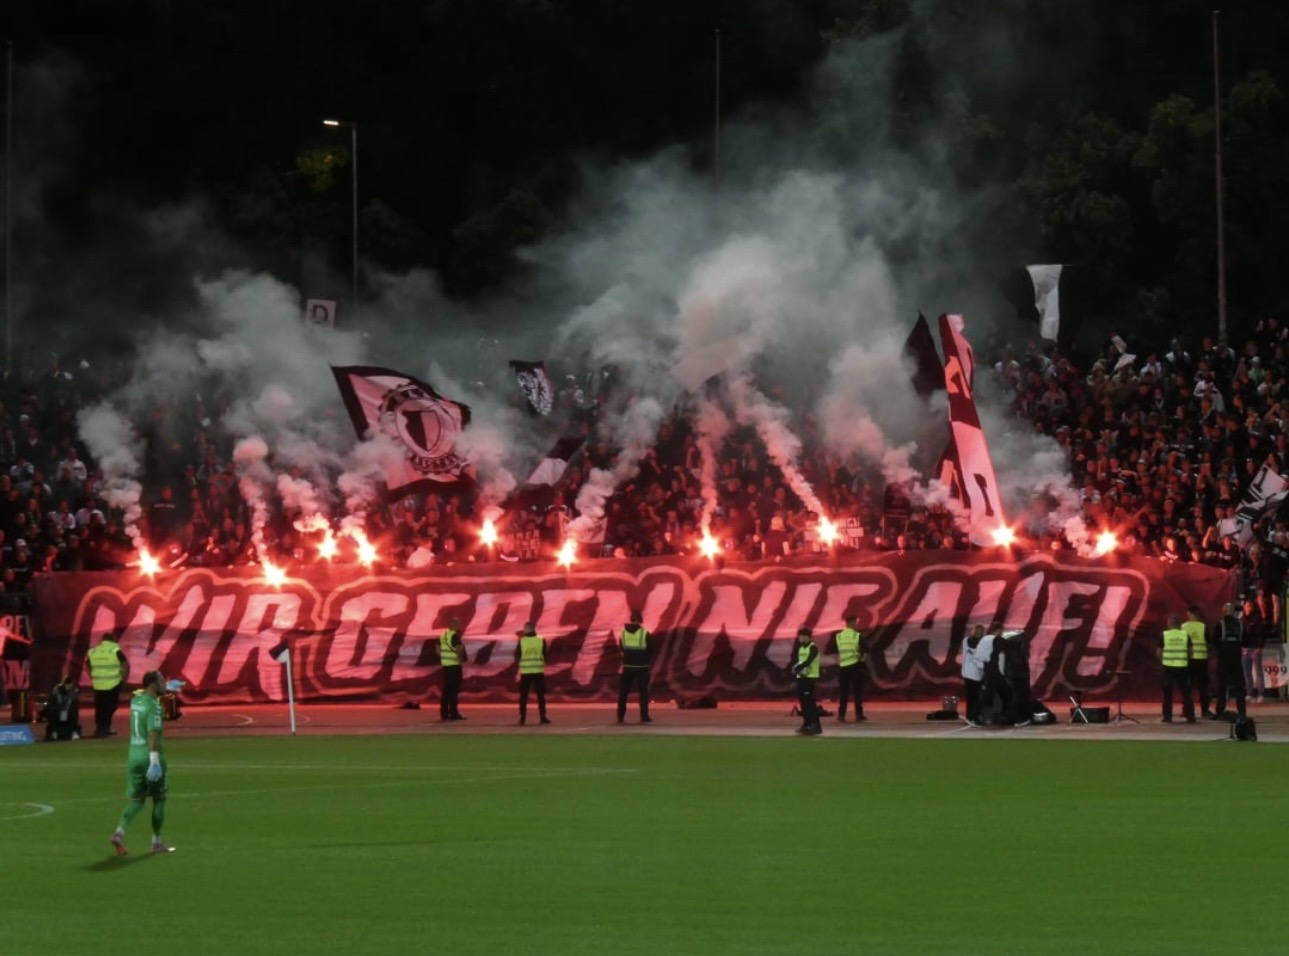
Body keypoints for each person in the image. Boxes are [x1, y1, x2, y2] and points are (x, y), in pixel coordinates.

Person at [110, 670, 174, 856]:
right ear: (153, 683)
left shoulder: (135, 701)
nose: (165, 684)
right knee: (159, 798)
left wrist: (171, 686)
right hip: (149, 756)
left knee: (137, 799)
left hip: (133, 755)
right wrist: (154, 761)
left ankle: (119, 832)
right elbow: (152, 733)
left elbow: (143, 694)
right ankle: (156, 842)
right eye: (162, 681)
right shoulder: (155, 707)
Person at [86, 631, 129, 737]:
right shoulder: (115, 650)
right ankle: (105, 728)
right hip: (113, 684)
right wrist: (124, 679)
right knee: (110, 706)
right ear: (113, 639)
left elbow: (87, 665)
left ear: (103, 640)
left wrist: (92, 676)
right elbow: (125, 664)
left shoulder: (93, 651)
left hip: (98, 684)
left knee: (100, 707)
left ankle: (100, 728)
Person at [616, 609, 652, 724]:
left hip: (627, 666)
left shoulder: (623, 633)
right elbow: (651, 649)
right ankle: (644, 716)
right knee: (643, 693)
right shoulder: (644, 633)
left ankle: (620, 716)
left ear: (631, 619)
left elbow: (622, 648)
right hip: (642, 667)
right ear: (640, 620)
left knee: (623, 692)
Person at [1212, 602, 1247, 720]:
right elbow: (1246, 640)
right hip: (1236, 659)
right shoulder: (1240, 625)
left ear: (1224, 611)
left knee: (1222, 686)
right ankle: (1242, 712)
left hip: (1224, 659)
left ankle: (1219, 711)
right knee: (1239, 687)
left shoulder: (1220, 624)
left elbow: (1214, 641)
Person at [1158, 614, 1195, 723]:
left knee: (1168, 693)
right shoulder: (1185, 635)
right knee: (1186, 693)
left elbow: (1159, 652)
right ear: (1179, 625)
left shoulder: (1164, 635)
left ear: (1169, 623)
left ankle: (1167, 717)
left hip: (1168, 667)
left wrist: (1163, 661)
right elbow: (1191, 651)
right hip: (1183, 666)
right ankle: (1190, 716)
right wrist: (1186, 659)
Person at [830, 614, 866, 722]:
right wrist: (862, 659)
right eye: (856, 622)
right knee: (857, 692)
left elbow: (833, 652)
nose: (857, 624)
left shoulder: (839, 636)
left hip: (843, 667)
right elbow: (865, 651)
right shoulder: (857, 636)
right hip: (855, 666)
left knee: (843, 693)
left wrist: (839, 661)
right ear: (852, 623)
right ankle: (859, 715)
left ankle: (841, 715)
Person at [514, 621, 551, 726]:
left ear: (526, 629)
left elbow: (517, 655)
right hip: (538, 671)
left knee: (523, 696)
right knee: (540, 696)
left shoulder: (522, 641)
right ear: (534, 629)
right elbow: (545, 655)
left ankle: (522, 718)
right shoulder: (541, 640)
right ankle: (543, 717)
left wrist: (519, 667)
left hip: (525, 672)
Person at [1182, 606, 1212, 717]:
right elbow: (1209, 643)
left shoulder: (1183, 627)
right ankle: (1205, 711)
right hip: (1201, 660)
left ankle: (1186, 710)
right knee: (1203, 687)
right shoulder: (1203, 627)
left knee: (1188, 687)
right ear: (1198, 614)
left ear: (1189, 613)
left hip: (1188, 660)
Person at [791, 626, 822, 736]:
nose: (799, 638)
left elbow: (809, 661)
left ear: (806, 637)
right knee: (803, 703)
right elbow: (800, 662)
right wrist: (796, 668)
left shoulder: (813, 647)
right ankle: (806, 724)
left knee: (810, 703)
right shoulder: (801, 648)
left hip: (809, 678)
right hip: (801, 678)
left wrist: (797, 668)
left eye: (800, 636)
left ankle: (815, 725)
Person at [438, 617, 467, 721]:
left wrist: (443, 658)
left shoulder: (443, 635)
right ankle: (454, 713)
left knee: (446, 690)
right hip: (454, 666)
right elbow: (459, 649)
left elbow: (437, 648)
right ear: (454, 625)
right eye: (458, 623)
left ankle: (444, 713)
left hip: (446, 665)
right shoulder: (455, 635)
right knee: (454, 690)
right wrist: (460, 661)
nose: (460, 625)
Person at [1241, 599, 1267, 703]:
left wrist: (1259, 648)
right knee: (1247, 674)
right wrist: (1242, 648)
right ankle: (1249, 693)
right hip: (1245, 651)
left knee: (1259, 673)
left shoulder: (1257, 619)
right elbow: (1240, 636)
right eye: (1247, 606)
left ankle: (1261, 694)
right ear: (1244, 608)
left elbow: (1261, 635)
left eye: (1251, 607)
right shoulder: (1242, 620)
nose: (1249, 608)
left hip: (1255, 650)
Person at [41, 675, 82, 741]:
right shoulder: (56, 692)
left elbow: (75, 706)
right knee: (52, 712)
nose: (67, 685)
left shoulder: (73, 692)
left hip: (69, 716)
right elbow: (50, 706)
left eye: (69, 683)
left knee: (73, 713)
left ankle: (74, 733)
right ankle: (54, 733)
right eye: (66, 683)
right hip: (57, 715)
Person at [960, 624, 986, 726]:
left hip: (967, 673)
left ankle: (970, 716)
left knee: (970, 697)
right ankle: (973, 717)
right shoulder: (982, 644)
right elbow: (979, 660)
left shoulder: (966, 640)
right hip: (976, 674)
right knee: (975, 697)